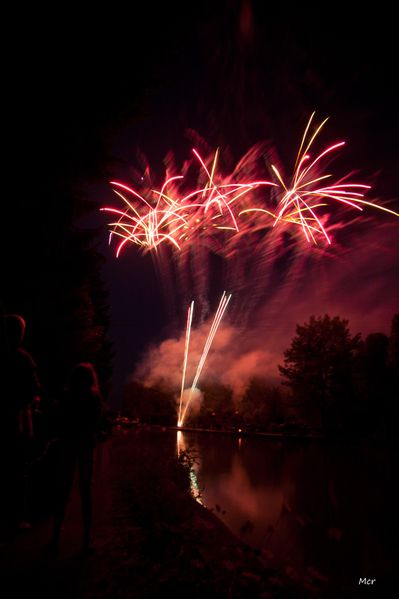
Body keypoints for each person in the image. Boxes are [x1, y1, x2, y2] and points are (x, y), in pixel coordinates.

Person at [43, 362, 103, 556]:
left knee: (63, 491)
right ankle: (86, 541)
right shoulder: (93, 399)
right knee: (85, 493)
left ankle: (55, 539)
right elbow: (96, 423)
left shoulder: (66, 397)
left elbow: (59, 420)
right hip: (85, 446)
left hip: (68, 444)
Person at [0, 313, 41, 539]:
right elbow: (34, 392)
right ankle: (17, 519)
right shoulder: (23, 359)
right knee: (18, 471)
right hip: (18, 423)